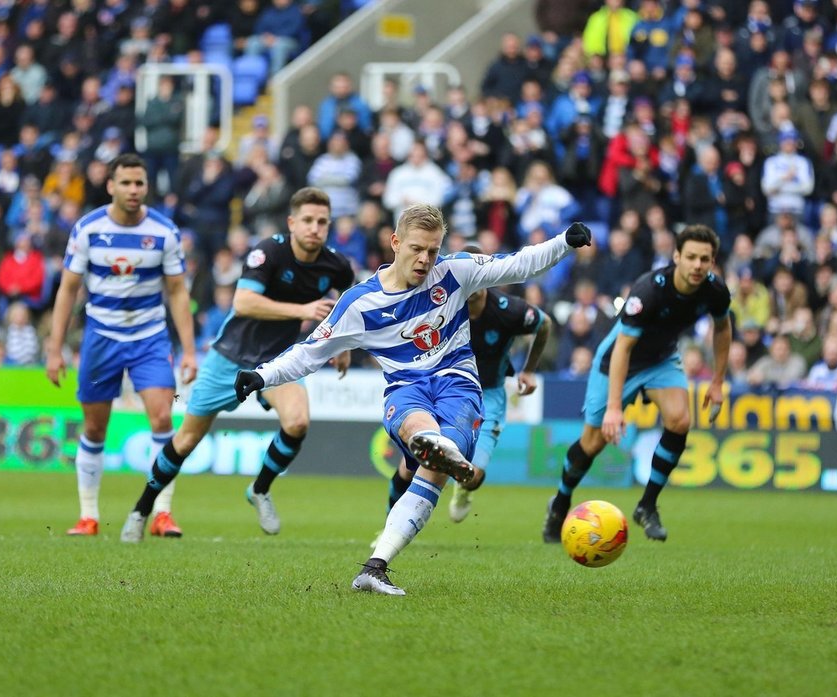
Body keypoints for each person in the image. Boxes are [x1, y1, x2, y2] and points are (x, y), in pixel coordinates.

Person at [233, 205, 591, 595]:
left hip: (458, 384)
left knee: (435, 462)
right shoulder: (360, 304)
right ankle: (432, 448)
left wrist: (563, 243)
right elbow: (308, 353)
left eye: (433, 251)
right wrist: (262, 375)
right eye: (417, 249)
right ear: (395, 242)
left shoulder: (455, 272)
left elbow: (519, 264)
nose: (425, 260)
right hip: (405, 389)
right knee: (424, 434)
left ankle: (375, 566)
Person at [120, 187, 355, 541]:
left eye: (322, 222)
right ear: (292, 222)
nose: (315, 228)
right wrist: (303, 311)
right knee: (185, 442)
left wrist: (344, 345)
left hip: (278, 362)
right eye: (307, 220)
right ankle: (141, 509)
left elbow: (347, 304)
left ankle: (259, 489)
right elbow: (244, 303)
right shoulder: (268, 252)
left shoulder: (336, 266)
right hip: (229, 356)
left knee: (298, 422)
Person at [541, 225, 731, 544]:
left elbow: (723, 328)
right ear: (676, 258)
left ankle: (647, 505)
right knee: (593, 443)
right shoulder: (649, 290)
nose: (698, 265)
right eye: (691, 258)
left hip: (661, 359)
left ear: (712, 262)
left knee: (680, 420)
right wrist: (615, 408)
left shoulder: (715, 290)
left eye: (705, 259)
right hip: (618, 360)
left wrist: (717, 381)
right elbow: (623, 349)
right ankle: (560, 501)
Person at [46, 153, 198, 538]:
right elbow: (67, 290)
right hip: (102, 337)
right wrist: (54, 347)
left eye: (139, 183)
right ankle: (88, 516)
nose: (133, 190)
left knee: (163, 418)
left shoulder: (164, 231)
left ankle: (162, 513)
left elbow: (178, 292)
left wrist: (190, 349)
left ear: (147, 187)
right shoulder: (88, 229)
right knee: (95, 428)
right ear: (111, 185)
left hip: (149, 336)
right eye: (126, 183)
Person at [384, 245, 552, 523]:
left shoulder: (507, 310)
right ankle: (389, 521)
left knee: (472, 476)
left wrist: (529, 370)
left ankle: (463, 490)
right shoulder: (438, 303)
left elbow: (543, 324)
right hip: (444, 390)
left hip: (489, 395)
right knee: (409, 468)